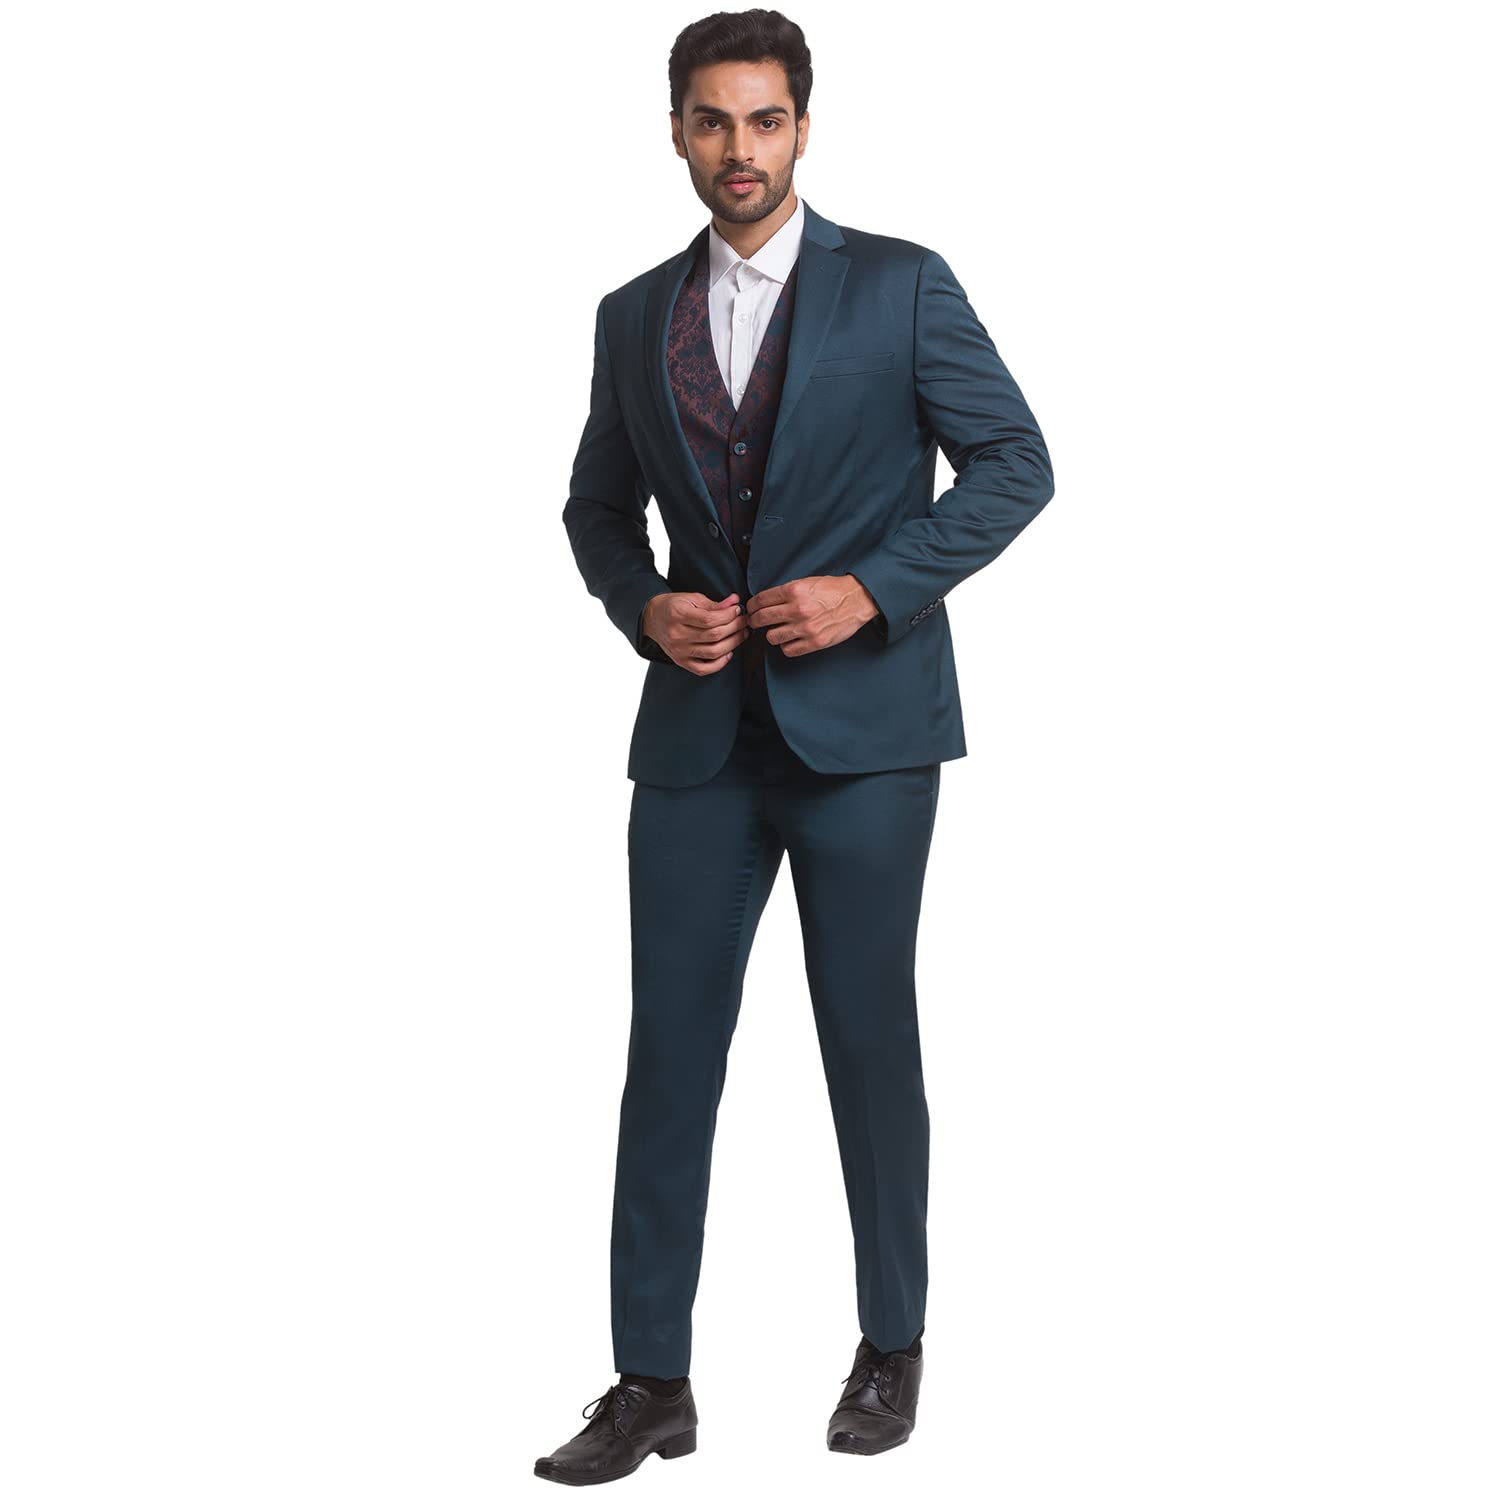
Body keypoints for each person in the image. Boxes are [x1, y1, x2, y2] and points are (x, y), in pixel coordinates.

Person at [537, 7, 1054, 1483]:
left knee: (867, 1037)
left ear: (804, 129)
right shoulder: (630, 314)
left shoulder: (899, 284)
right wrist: (644, 605)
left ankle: (892, 1344)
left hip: (868, 740)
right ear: (677, 133)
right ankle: (651, 1382)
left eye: (765, 120)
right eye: (712, 120)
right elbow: (593, 508)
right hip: (697, 746)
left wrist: (874, 588)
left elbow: (1016, 462)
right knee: (668, 1057)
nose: (739, 148)